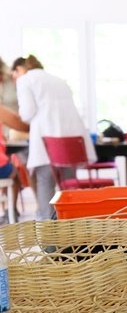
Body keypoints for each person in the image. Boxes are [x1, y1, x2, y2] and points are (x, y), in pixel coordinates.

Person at [11, 55, 96, 221]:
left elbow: (27, 113)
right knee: (69, 184)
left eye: (13, 75)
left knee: (44, 179)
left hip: (47, 140)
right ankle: (73, 225)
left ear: (20, 69)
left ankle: (47, 230)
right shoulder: (59, 80)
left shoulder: (25, 80)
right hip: (72, 139)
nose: (14, 79)